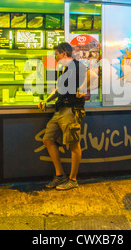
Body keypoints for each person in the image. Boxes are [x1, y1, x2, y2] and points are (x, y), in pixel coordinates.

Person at [38, 42, 97, 191]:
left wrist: (82, 88)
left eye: (56, 54)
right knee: (47, 139)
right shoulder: (65, 70)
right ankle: (60, 175)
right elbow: (58, 90)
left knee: (73, 145)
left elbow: (94, 75)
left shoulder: (77, 65)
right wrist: (46, 101)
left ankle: (73, 179)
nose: (55, 57)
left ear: (64, 53)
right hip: (60, 110)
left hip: (71, 110)